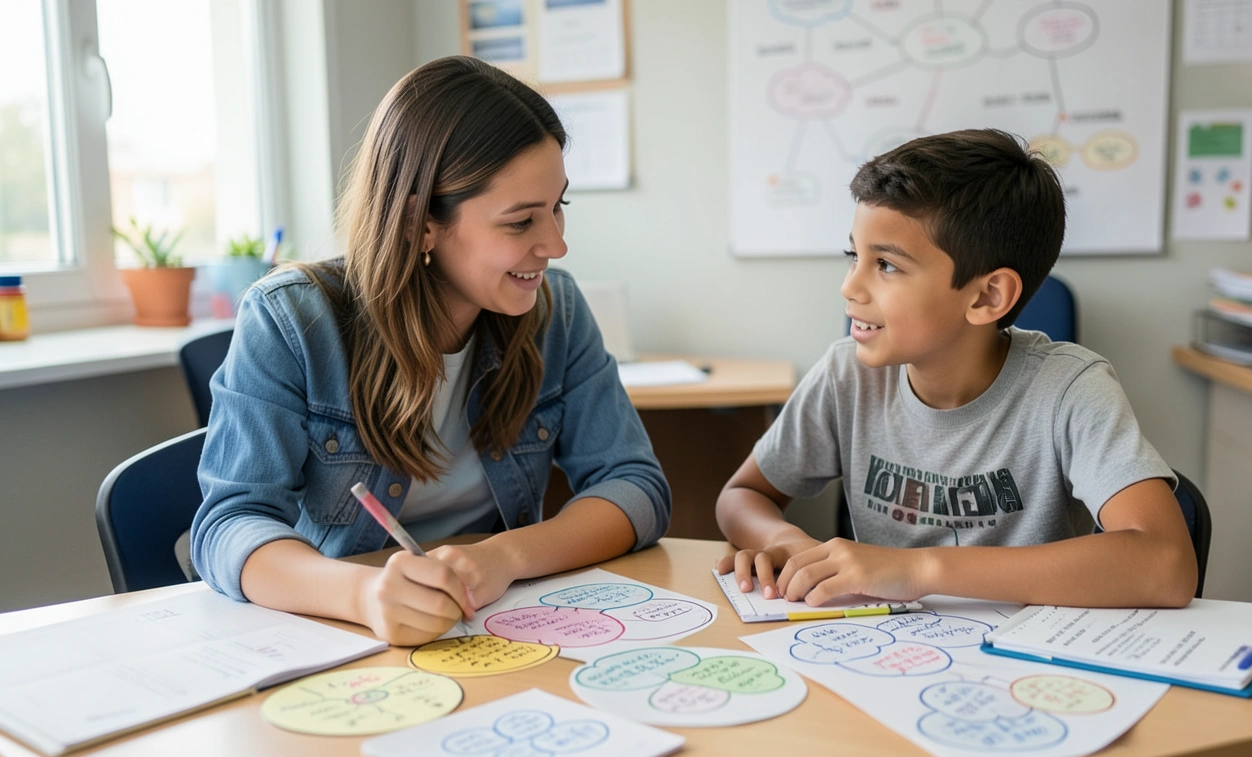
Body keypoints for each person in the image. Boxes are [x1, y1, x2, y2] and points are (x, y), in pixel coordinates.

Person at [192, 56, 670, 646]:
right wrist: (363, 595)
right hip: (347, 638)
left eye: (558, 207)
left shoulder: (557, 312)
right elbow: (228, 526)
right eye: (521, 223)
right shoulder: (288, 321)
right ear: (420, 223)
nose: (556, 244)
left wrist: (507, 555)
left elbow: (635, 486)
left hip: (495, 625)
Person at [715, 128, 1197, 610]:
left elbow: (1167, 563)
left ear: (987, 296)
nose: (849, 287)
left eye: (885, 265)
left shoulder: (1070, 389)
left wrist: (920, 570)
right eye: (854, 256)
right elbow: (742, 494)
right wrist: (783, 539)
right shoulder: (847, 376)